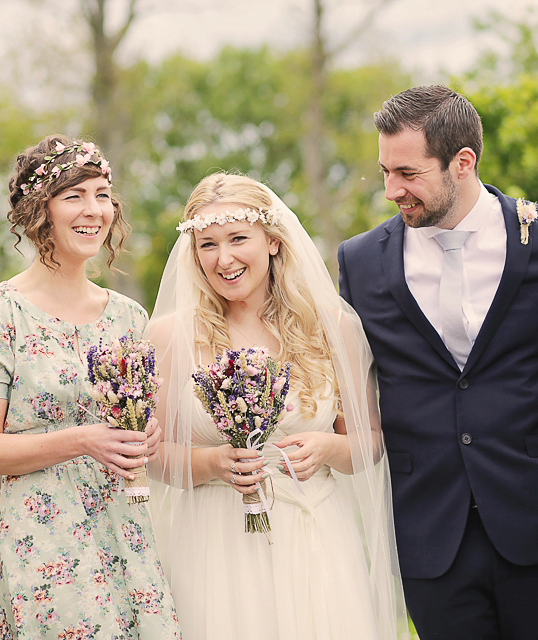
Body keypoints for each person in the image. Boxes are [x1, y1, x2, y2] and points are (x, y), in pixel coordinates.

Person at [338, 84, 538, 638]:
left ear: (462, 162)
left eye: (407, 173)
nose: (390, 190)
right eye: (384, 171)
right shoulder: (359, 262)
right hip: (429, 532)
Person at [146, 172, 407, 639]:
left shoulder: (332, 328)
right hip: (214, 542)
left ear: (272, 241)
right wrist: (212, 462)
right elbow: (152, 455)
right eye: (207, 244)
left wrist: (327, 449)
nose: (223, 259)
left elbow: (369, 443)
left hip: (316, 534)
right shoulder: (170, 337)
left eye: (237, 239)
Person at [0, 134, 181, 639]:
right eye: (74, 195)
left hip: (130, 529)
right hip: (44, 540)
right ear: (39, 210)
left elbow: (136, 424)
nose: (93, 209)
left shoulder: (128, 317)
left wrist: (147, 436)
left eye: (102, 193)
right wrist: (83, 440)